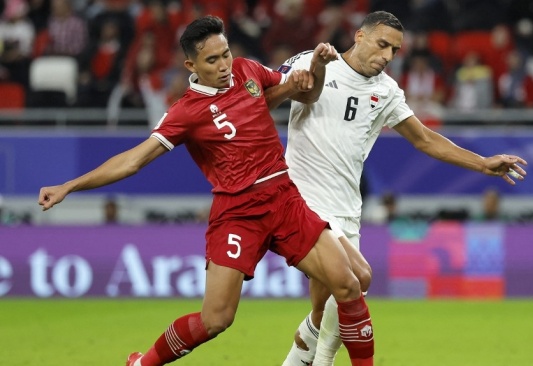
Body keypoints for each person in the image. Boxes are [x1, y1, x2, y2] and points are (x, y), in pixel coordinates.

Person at [38, 15, 377, 366]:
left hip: (283, 197)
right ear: (191, 64)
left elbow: (301, 95)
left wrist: (313, 72)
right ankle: (143, 363)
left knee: (349, 284)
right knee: (216, 319)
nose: (224, 65)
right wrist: (69, 186)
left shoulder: (248, 70)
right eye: (212, 60)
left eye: (226, 54)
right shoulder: (186, 111)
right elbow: (133, 161)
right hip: (238, 213)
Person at [267, 11, 528, 366]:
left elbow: (424, 139)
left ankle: (303, 357)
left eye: (395, 50)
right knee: (356, 280)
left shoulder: (386, 91)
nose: (388, 56)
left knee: (322, 309)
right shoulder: (312, 61)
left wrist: (482, 163)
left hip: (346, 209)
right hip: (301, 199)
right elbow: (263, 102)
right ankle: (324, 361)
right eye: (382, 45)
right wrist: (292, 86)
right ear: (360, 37)